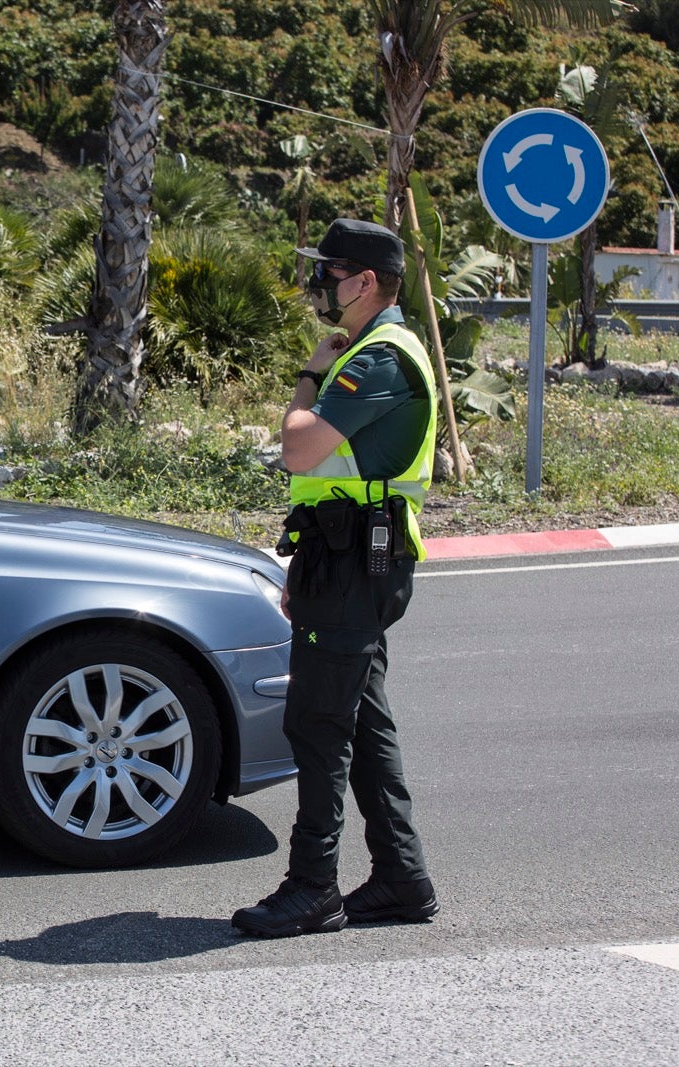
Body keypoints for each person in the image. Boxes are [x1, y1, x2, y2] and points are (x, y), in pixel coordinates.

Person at [232, 218, 440, 939]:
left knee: (318, 725)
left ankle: (312, 886)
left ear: (369, 281)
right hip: (346, 559)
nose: (322, 282)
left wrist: (311, 374)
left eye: (333, 270)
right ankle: (401, 878)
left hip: (356, 563)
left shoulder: (375, 359)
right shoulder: (375, 348)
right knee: (362, 720)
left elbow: (298, 447)